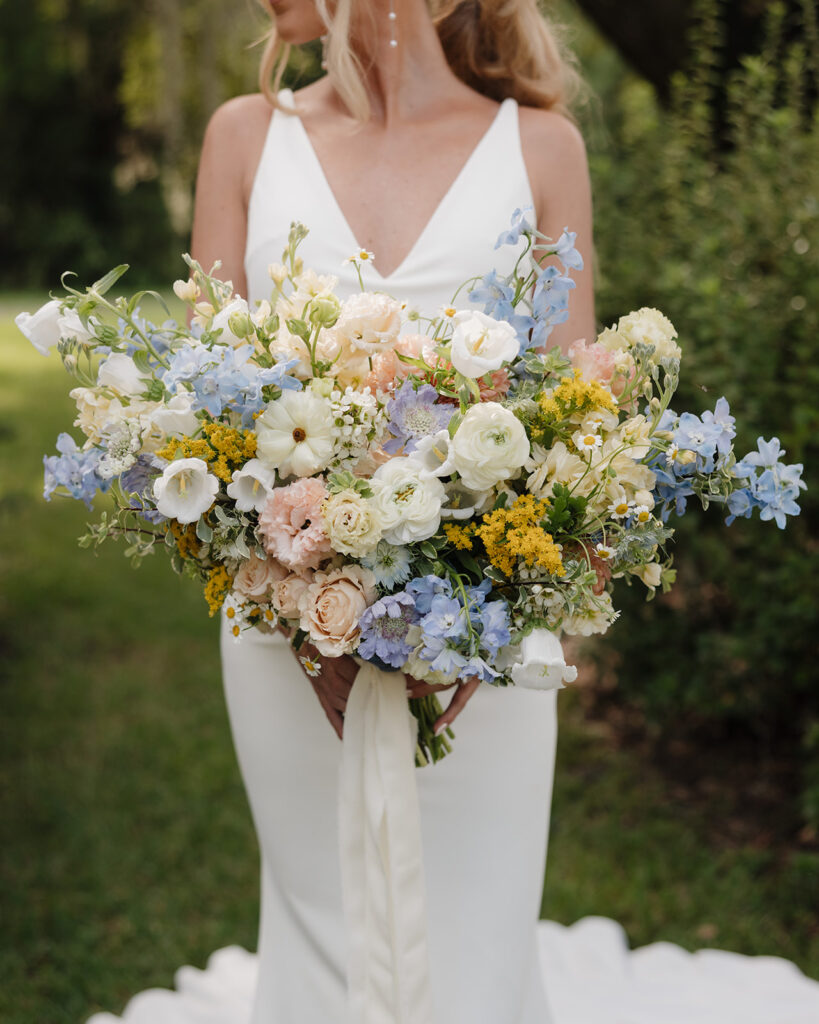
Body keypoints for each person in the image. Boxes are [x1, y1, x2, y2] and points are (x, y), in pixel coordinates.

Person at [188, 1, 592, 1022]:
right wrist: (307, 615)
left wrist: (469, 623)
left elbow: (581, 431)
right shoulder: (245, 136)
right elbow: (195, 423)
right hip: (282, 632)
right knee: (325, 928)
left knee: (477, 941)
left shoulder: (541, 148)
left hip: (489, 649)